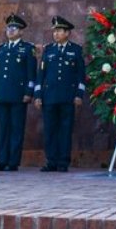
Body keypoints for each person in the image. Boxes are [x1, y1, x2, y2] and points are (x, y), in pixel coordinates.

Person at [34, 16, 86, 173]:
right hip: (49, 97)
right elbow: (41, 74)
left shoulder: (75, 50)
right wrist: (38, 95)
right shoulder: (48, 50)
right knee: (50, 130)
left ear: (67, 33)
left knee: (65, 130)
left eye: (59, 31)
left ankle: (63, 162)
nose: (56, 34)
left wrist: (79, 94)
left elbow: (81, 75)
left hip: (67, 97)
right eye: (54, 31)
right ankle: (51, 161)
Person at [0, 14, 37, 172]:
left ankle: (13, 162)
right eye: (9, 27)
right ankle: (1, 160)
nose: (10, 30)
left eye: (14, 27)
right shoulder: (0, 49)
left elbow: (31, 73)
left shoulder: (28, 49)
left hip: (19, 95)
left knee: (16, 128)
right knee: (3, 129)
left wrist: (29, 91)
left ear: (21, 32)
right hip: (2, 94)